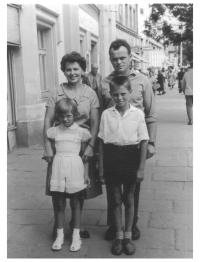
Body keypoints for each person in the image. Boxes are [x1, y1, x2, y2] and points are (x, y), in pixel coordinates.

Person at [101, 39, 157, 241]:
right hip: (112, 146)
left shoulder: (143, 81)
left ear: (130, 57)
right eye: (114, 59)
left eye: (122, 58)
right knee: (113, 190)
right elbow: (102, 114)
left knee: (133, 190)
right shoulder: (104, 82)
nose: (119, 62)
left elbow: (150, 114)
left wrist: (151, 142)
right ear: (110, 59)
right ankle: (114, 226)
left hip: (135, 145)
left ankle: (131, 226)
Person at [43, 51, 102, 242]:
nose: (72, 73)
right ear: (63, 71)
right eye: (68, 69)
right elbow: (47, 122)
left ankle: (76, 224)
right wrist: (47, 148)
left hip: (82, 144)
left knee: (79, 187)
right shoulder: (55, 92)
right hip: (60, 145)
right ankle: (58, 224)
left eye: (76, 68)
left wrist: (92, 146)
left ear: (82, 70)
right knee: (57, 187)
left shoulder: (90, 93)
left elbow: (95, 123)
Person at [98, 75, 149, 255]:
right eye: (115, 95)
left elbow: (143, 141)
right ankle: (118, 237)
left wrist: (141, 168)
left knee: (129, 198)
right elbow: (102, 142)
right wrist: (101, 168)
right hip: (112, 157)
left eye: (123, 94)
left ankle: (128, 235)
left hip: (131, 157)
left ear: (130, 93)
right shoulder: (106, 114)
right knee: (115, 199)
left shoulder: (137, 114)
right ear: (111, 94)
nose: (119, 98)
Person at [46, 98, 92, 251]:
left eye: (69, 116)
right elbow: (51, 153)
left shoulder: (81, 132)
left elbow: (85, 157)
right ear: (58, 116)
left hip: (75, 168)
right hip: (59, 168)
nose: (65, 119)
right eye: (62, 116)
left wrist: (86, 174)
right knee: (59, 204)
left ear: (75, 115)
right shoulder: (53, 132)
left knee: (75, 203)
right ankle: (59, 235)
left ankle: (76, 236)